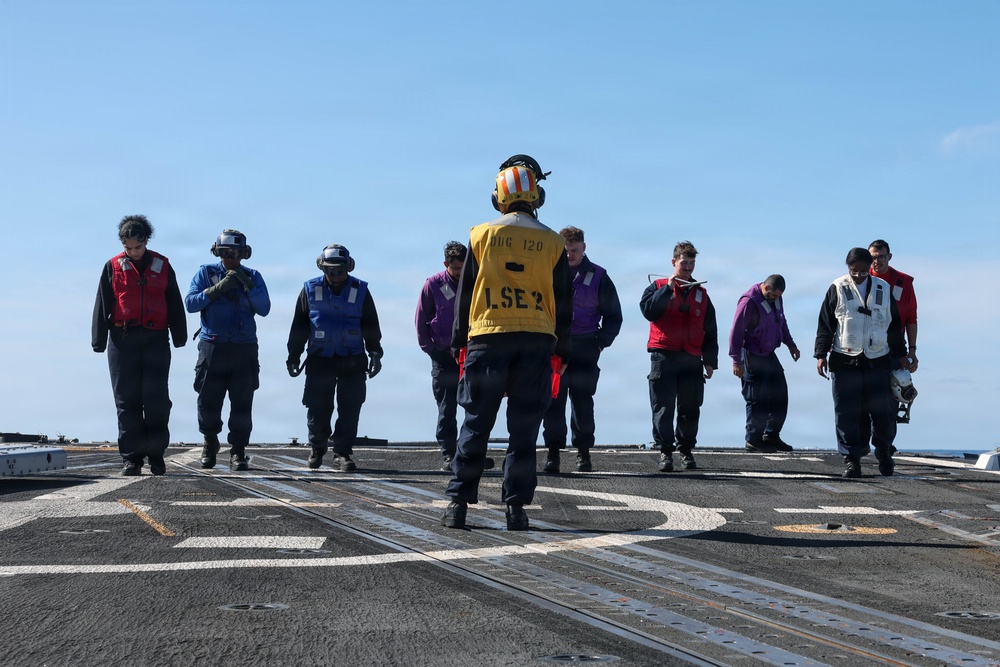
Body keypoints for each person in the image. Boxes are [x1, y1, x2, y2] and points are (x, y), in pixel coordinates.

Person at [442, 154, 572, 532]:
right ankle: (515, 508)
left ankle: (458, 505)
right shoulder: (552, 242)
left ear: (497, 197)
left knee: (476, 424)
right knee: (524, 431)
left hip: (487, 340)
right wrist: (563, 351)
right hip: (536, 343)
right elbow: (564, 302)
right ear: (538, 197)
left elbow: (465, 295)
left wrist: (456, 343)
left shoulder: (480, 235)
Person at [92, 215, 187, 476]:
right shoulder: (112, 266)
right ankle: (132, 458)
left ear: (147, 240)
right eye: (128, 248)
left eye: (138, 247)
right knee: (126, 400)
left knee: (156, 400)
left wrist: (180, 336)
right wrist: (98, 340)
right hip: (122, 341)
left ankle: (156, 455)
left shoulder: (163, 265)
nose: (133, 253)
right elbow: (102, 302)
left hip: (156, 339)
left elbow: (174, 302)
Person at [286, 244, 383, 472]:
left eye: (340, 271)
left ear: (348, 268)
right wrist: (293, 355)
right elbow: (299, 327)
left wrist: (375, 352)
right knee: (317, 407)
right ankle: (317, 448)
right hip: (320, 359)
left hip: (352, 359)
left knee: (350, 408)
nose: (335, 276)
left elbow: (370, 326)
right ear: (322, 268)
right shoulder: (309, 290)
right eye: (330, 271)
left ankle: (342, 453)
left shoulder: (360, 290)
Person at [815, 247, 908, 478]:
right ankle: (851, 460)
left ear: (870, 268)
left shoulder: (884, 289)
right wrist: (820, 354)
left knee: (884, 411)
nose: (858, 275)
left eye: (863, 271)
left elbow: (895, 325)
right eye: (854, 270)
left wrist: (902, 354)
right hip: (844, 360)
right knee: (847, 412)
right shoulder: (837, 287)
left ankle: (884, 451)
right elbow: (826, 324)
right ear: (848, 267)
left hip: (878, 359)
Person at [185, 230, 271, 472]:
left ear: (244, 254)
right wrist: (218, 289)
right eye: (225, 253)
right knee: (208, 398)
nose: (231, 258)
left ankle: (238, 451)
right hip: (212, 345)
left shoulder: (253, 276)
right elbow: (191, 303)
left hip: (244, 347)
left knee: (242, 401)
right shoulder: (206, 273)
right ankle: (209, 442)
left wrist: (248, 285)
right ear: (217, 253)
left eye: (235, 253)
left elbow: (264, 308)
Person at [541, 226, 622, 473]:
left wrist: (599, 344)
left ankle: (583, 453)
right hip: (554, 347)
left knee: (583, 402)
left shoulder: (599, 276)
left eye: (574, 250)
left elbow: (613, 317)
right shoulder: (547, 273)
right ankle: (553, 452)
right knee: (553, 401)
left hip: (586, 346)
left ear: (584, 248)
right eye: (565, 251)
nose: (569, 255)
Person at [639, 241, 718, 473]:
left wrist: (710, 361)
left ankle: (686, 451)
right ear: (674, 262)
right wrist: (667, 290)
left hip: (692, 358)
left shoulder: (702, 294)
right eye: (684, 263)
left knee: (690, 407)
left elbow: (710, 329)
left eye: (692, 263)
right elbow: (648, 311)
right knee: (662, 407)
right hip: (663, 356)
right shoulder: (657, 286)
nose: (688, 267)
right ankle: (665, 452)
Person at [728, 275, 800, 453]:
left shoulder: (776, 299)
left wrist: (791, 344)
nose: (777, 298)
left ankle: (771, 435)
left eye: (779, 296)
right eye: (774, 295)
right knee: (756, 398)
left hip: (769, 354)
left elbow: (781, 322)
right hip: (751, 353)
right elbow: (736, 332)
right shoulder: (749, 302)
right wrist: (736, 360)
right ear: (766, 289)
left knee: (780, 393)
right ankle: (753, 439)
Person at [415, 241, 469, 471]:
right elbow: (421, 318)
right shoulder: (433, 285)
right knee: (447, 408)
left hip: (469, 355)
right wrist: (430, 349)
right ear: (446, 264)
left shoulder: (475, 282)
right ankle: (449, 454)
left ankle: (469, 451)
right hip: (443, 355)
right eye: (456, 268)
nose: (460, 272)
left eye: (463, 267)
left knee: (474, 405)